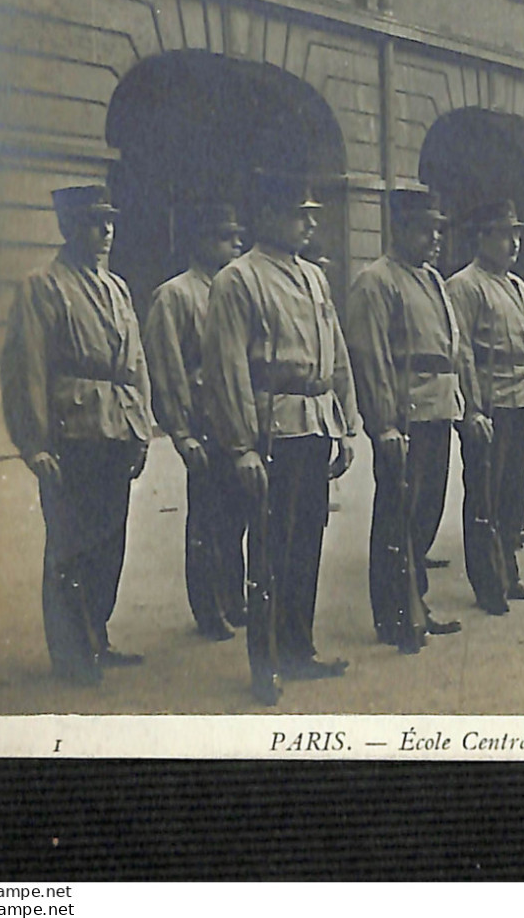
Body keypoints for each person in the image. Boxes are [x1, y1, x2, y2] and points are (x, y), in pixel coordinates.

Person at [201, 171, 358, 706]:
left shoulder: (315, 279)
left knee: (307, 542)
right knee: (269, 549)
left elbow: (336, 357)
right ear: (267, 217)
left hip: (314, 424)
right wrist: (241, 446)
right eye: (299, 213)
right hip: (271, 433)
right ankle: (264, 663)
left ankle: (299, 648)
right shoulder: (238, 280)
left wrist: (346, 425)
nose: (310, 223)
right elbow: (227, 371)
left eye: (311, 214)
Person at [2, 184, 152, 687]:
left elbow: (136, 366)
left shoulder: (117, 288)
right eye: (93, 221)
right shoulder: (42, 286)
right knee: (71, 543)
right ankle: (71, 652)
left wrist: (143, 430)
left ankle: (97, 635)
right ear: (69, 228)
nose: (105, 231)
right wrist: (35, 444)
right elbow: (28, 370)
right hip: (72, 432)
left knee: (110, 541)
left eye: (109, 220)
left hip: (115, 429)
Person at [345, 183, 479, 654]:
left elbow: (451, 350)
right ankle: (396, 615)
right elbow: (372, 357)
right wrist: (384, 423)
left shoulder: (432, 281)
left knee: (425, 514)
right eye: (425, 230)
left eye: (438, 230)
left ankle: (414, 600)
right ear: (400, 228)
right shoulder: (376, 281)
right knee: (398, 517)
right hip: (406, 415)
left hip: (438, 410)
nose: (435, 239)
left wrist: (460, 402)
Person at [143, 201, 247, 642]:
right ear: (202, 242)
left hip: (237, 423)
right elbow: (166, 368)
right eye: (227, 238)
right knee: (207, 519)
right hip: (203, 425)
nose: (236, 245)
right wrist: (181, 433)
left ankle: (233, 598)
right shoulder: (177, 295)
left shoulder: (237, 291)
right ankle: (209, 609)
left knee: (237, 516)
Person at [446, 200, 524, 613]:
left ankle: (509, 572)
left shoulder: (518, 286)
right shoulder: (464, 286)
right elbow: (462, 351)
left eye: (517, 233)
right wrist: (472, 408)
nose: (514, 242)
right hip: (490, 404)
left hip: (519, 400)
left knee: (512, 494)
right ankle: (487, 582)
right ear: (482, 237)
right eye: (505, 234)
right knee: (485, 495)